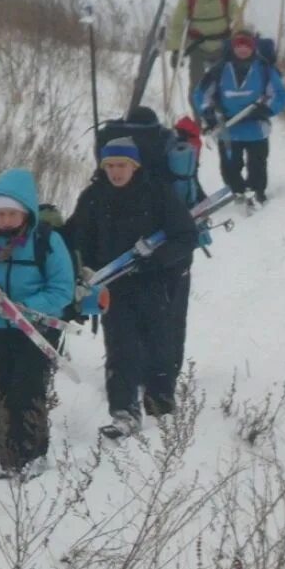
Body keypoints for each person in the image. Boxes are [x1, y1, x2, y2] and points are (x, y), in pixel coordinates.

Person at [64, 139, 197, 438]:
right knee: (121, 349)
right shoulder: (94, 196)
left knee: (159, 345)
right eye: (110, 166)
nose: (116, 172)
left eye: (122, 165)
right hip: (114, 287)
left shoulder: (157, 192)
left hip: (155, 283)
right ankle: (124, 412)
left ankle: (161, 409)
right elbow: (75, 235)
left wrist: (156, 262)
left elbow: (186, 236)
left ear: (134, 166)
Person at [0, 168, 74, 478]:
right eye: (0, 213)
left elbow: (62, 288)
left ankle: (32, 454)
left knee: (27, 390)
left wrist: (25, 309)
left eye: (12, 213)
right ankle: (7, 454)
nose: (5, 219)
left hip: (35, 331)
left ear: (26, 213)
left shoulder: (47, 241)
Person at [193, 27, 285, 206]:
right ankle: (237, 191)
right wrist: (209, 113)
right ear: (232, 47)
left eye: (246, 45)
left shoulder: (264, 69)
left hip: (256, 128)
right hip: (228, 129)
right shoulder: (219, 69)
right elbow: (201, 94)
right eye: (238, 45)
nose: (242, 49)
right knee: (230, 166)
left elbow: (280, 95)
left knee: (257, 165)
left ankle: (257, 192)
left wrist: (266, 109)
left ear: (253, 47)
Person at [168, 0, 237, 111]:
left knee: (224, 83)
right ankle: (199, 118)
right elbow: (177, 25)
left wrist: (240, 44)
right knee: (197, 86)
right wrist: (175, 50)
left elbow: (237, 21)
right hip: (198, 48)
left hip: (222, 47)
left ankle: (223, 114)